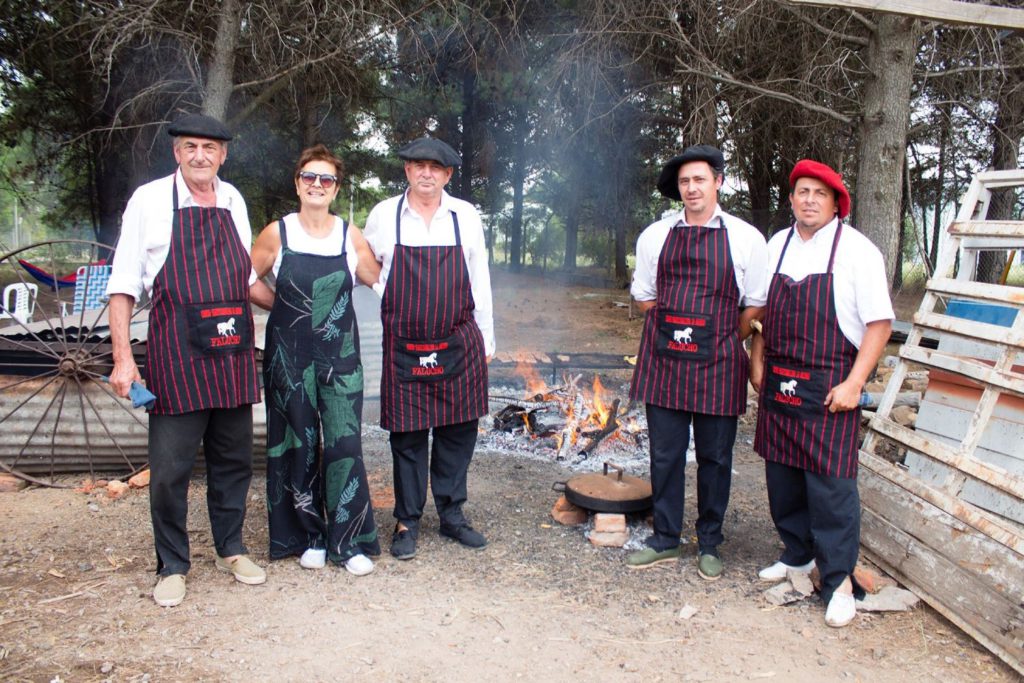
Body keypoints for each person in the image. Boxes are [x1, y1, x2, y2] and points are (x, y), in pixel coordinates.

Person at [106, 113, 267, 608]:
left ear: (223, 154)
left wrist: (291, 306)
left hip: (231, 352)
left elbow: (244, 278)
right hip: (177, 354)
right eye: (191, 146)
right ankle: (172, 565)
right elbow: (124, 283)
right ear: (177, 153)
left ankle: (230, 548)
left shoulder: (233, 199)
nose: (201, 155)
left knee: (233, 462)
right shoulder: (150, 200)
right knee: (170, 470)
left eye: (210, 148)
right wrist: (122, 359)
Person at [750, 159, 893, 628]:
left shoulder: (857, 251)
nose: (809, 200)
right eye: (802, 191)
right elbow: (763, 313)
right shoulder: (777, 245)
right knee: (783, 479)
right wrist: (756, 359)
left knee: (831, 489)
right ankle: (797, 555)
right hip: (780, 381)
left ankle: (838, 583)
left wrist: (855, 383)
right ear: (791, 199)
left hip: (831, 385)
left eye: (820, 193)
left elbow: (879, 324)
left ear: (836, 204)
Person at [626, 144, 769, 578]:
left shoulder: (746, 238)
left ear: (718, 182)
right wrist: (674, 330)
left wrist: (721, 336)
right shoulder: (655, 235)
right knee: (665, 455)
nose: (692, 188)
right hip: (665, 362)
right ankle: (665, 538)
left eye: (700, 180)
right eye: (685, 181)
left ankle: (710, 542)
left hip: (719, 363)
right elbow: (644, 295)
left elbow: (756, 303)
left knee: (716, 458)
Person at [249, 144, 382, 575]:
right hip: (289, 355)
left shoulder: (349, 235)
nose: (317, 185)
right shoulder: (278, 233)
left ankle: (349, 540)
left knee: (344, 444)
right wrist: (284, 306)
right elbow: (245, 280)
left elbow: (379, 280)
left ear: (336, 189)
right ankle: (309, 536)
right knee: (298, 442)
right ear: (297, 183)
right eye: (310, 177)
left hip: (340, 355)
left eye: (326, 179)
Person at [362, 136, 494, 561]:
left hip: (458, 340)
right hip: (405, 344)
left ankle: (452, 515)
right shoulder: (384, 215)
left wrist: (487, 339)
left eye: (435, 167)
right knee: (408, 437)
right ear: (407, 170)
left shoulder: (465, 216)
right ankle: (407, 521)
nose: (426, 173)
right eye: (418, 165)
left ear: (447, 175)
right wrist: (384, 291)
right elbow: (364, 262)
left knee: (458, 432)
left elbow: (479, 279)